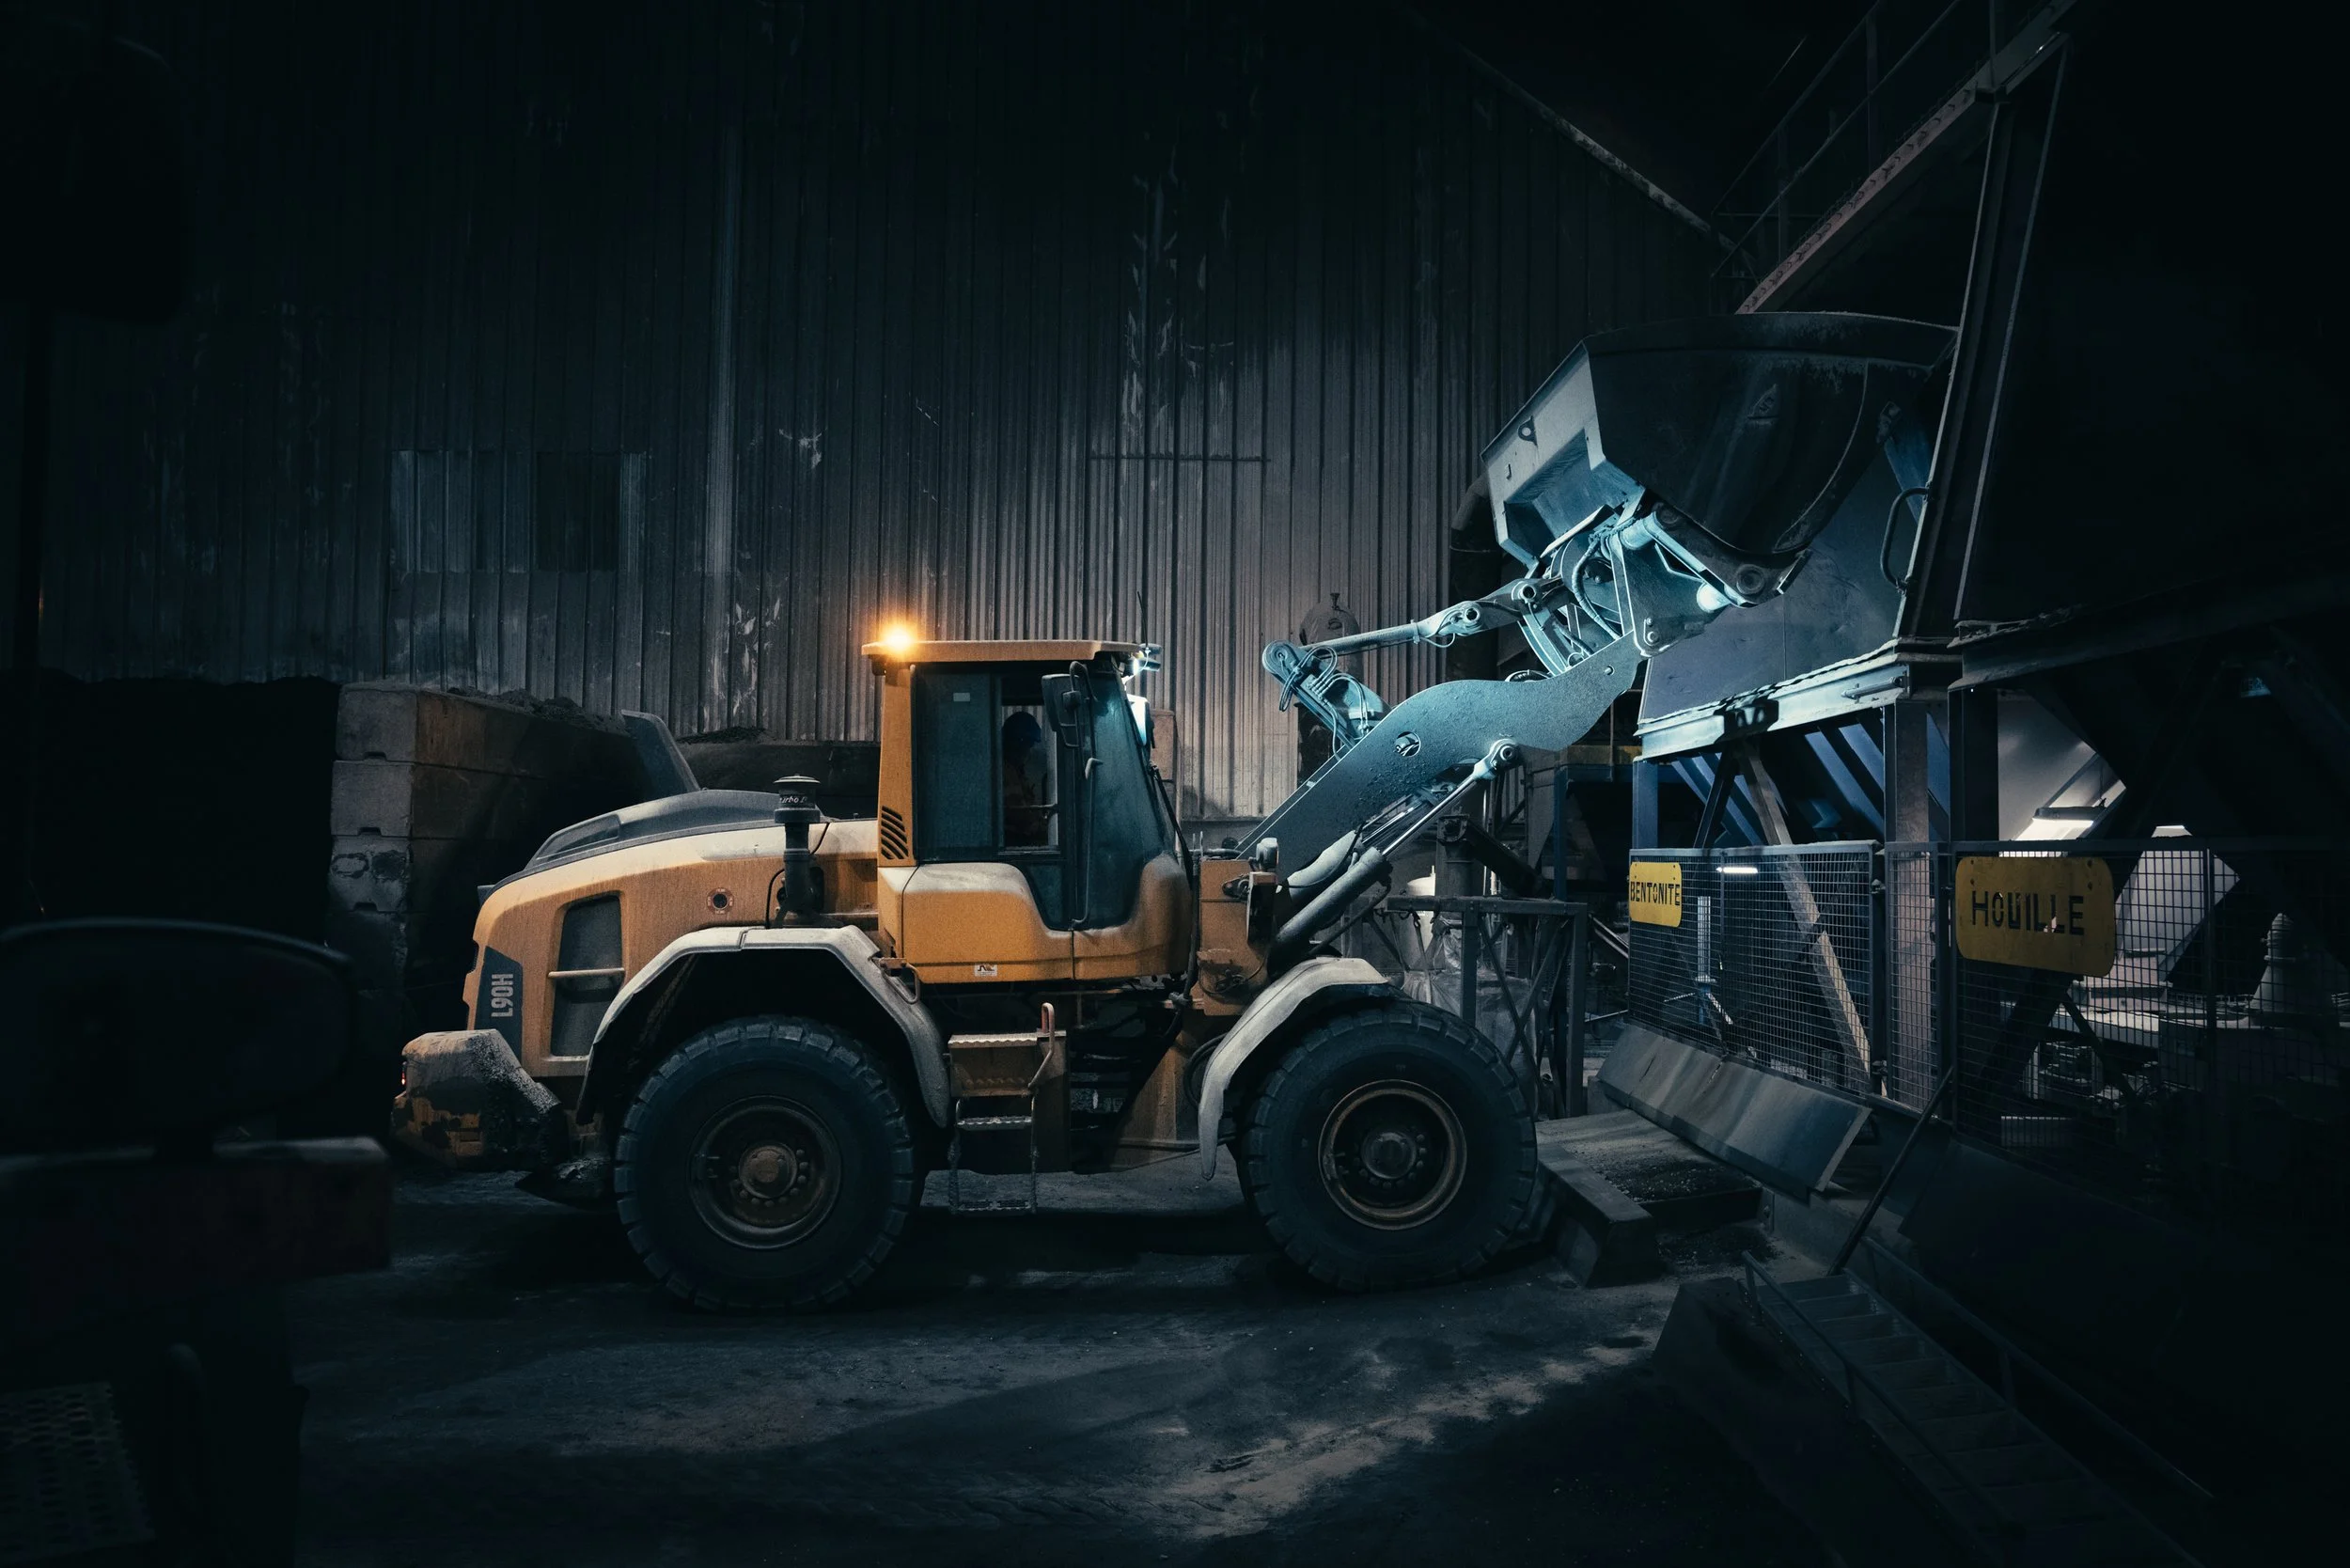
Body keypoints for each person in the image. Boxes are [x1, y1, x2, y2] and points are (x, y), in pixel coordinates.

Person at [1001, 710, 1052, 846]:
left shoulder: (1015, 771)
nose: (1028, 750)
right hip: (1014, 843)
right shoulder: (1006, 772)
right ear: (1017, 742)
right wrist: (1050, 830)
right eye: (1027, 744)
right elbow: (1020, 816)